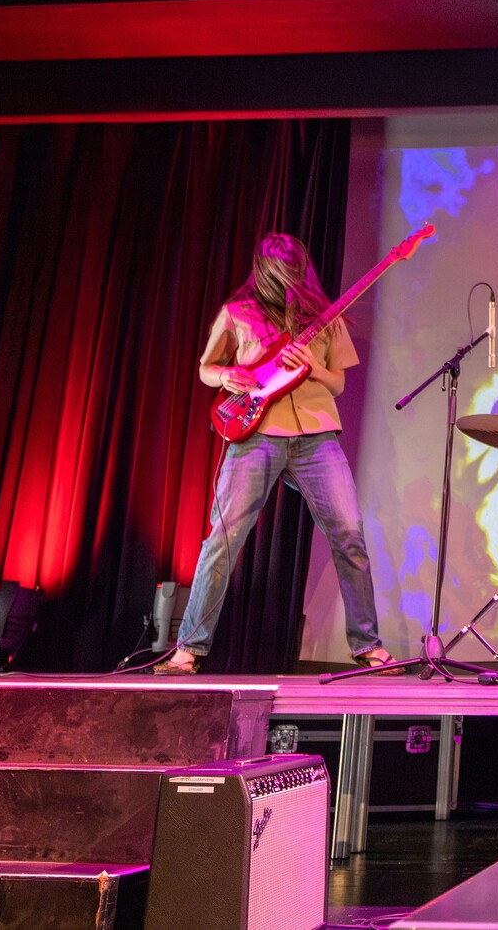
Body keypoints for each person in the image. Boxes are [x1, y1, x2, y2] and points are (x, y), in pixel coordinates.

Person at [158, 233, 393, 675]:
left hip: (317, 436)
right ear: (264, 267)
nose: (286, 270)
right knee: (223, 541)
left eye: (292, 263)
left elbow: (338, 383)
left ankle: (368, 646)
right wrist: (228, 375)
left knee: (349, 535)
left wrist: (313, 364)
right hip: (257, 435)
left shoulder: (326, 319)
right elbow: (207, 369)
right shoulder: (237, 313)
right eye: (277, 264)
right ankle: (188, 648)